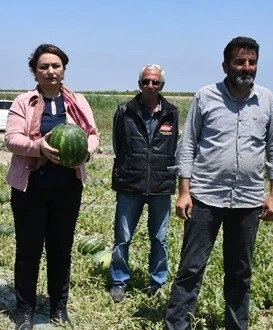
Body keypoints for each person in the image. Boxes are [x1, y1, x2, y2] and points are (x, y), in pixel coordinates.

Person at [165, 36, 273, 330]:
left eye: (252, 62)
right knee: (191, 268)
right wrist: (184, 192)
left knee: (240, 271)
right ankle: (176, 325)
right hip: (206, 197)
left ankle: (237, 326)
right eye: (239, 62)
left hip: (248, 201)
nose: (246, 68)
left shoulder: (267, 99)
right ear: (225, 65)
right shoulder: (206, 96)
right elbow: (188, 146)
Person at [5, 44, 99, 329]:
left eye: (55, 66)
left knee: (61, 248)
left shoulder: (77, 101)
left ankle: (59, 305)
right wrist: (38, 148)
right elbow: (11, 139)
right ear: (35, 70)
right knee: (28, 250)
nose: (50, 71)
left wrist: (85, 153)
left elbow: (93, 135)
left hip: (67, 187)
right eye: (44, 66)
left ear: (64, 70)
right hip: (30, 187)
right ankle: (25, 309)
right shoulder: (24, 101)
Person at [108, 64, 179, 302]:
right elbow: (118, 146)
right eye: (146, 81)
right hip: (130, 184)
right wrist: (128, 168)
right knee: (123, 238)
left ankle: (157, 282)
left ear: (162, 86)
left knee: (159, 239)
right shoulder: (125, 110)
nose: (150, 86)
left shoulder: (172, 112)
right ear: (139, 84)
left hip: (160, 185)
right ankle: (119, 280)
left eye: (155, 82)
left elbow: (175, 148)